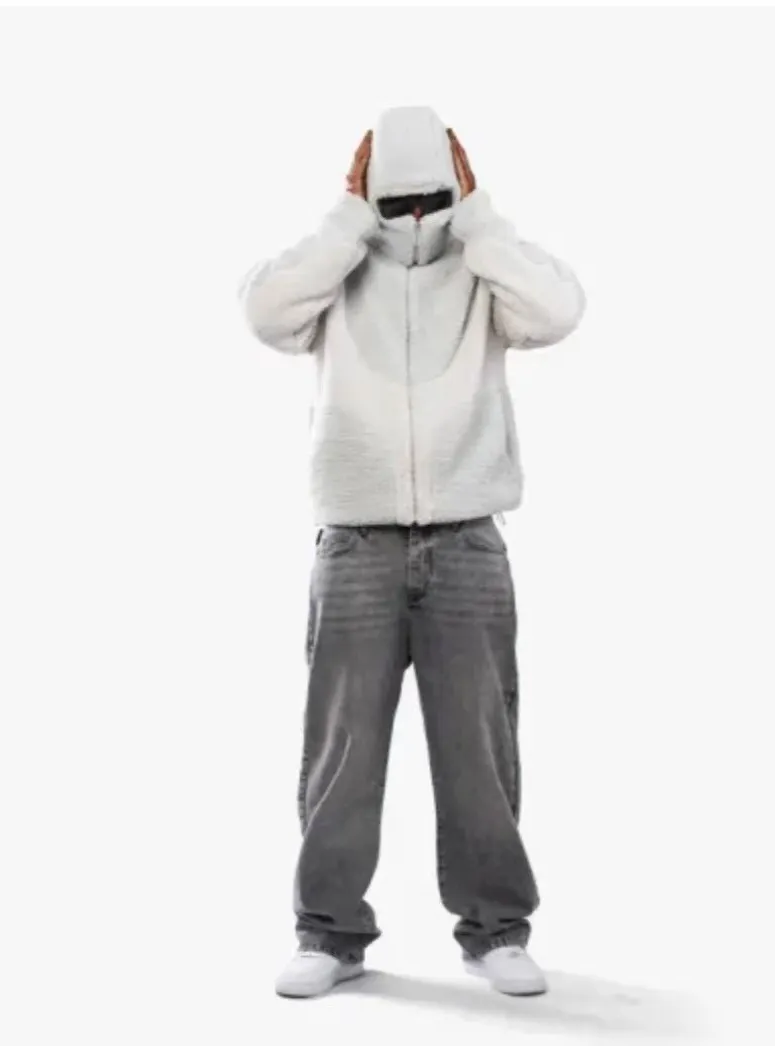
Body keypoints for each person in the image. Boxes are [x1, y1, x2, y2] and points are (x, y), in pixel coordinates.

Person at [240, 105, 586, 999]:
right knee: (340, 753)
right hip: (355, 542)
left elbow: (558, 310)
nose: (416, 215)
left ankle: (494, 929)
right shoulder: (337, 267)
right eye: (398, 200)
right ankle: (329, 933)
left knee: (480, 751)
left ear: (457, 188)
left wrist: (479, 218)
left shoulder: (482, 268)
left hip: (467, 540)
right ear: (367, 194)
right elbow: (265, 313)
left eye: (431, 197)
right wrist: (347, 220)